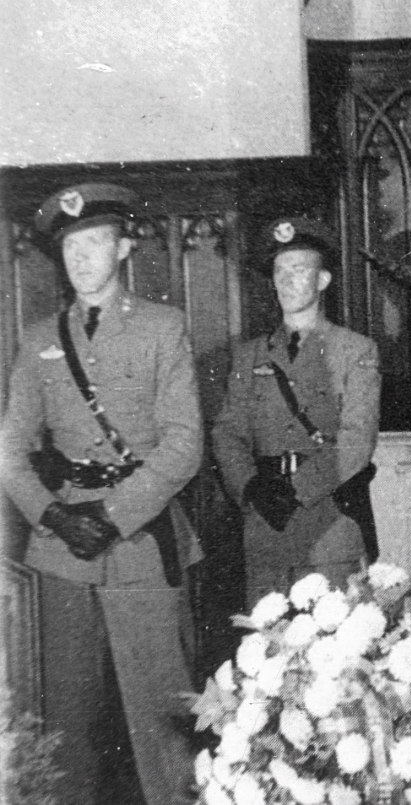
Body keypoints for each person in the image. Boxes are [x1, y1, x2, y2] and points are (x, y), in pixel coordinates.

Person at [0, 183, 202, 805]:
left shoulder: (163, 328)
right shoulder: (37, 340)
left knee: (163, 716)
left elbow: (183, 446)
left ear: (122, 248)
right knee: (65, 723)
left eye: (94, 242)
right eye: (69, 247)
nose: (80, 258)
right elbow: (8, 452)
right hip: (61, 552)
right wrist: (54, 515)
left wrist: (109, 518)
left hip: (140, 541)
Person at [212, 217, 380, 607]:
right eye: (279, 271)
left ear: (323, 280)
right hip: (265, 525)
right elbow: (227, 434)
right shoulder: (249, 355)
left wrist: (296, 490)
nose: (287, 282)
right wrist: (251, 487)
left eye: (299, 269)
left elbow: (356, 441)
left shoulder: (354, 351)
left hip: (329, 521)